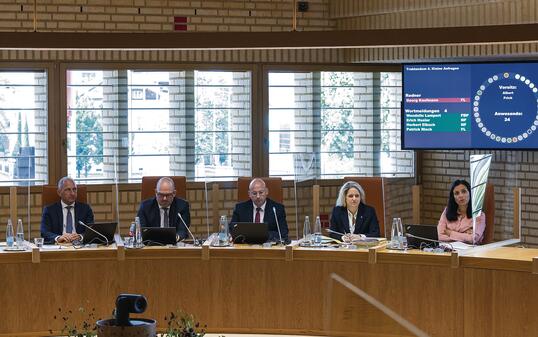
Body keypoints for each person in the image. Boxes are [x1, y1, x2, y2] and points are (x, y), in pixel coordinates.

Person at [230, 178, 289, 242]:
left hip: (269, 247)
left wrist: (261, 234)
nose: (258, 196)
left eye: (261, 192)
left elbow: (283, 233)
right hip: (246, 246)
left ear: (266, 192)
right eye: (254, 193)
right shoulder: (240, 208)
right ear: (249, 194)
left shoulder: (277, 209)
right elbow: (232, 230)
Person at [40, 176, 95, 244]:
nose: (72, 193)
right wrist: (58, 238)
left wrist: (80, 236)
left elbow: (91, 231)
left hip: (79, 246)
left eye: (74, 189)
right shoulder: (49, 210)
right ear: (59, 192)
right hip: (58, 247)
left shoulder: (86, 209)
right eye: (68, 190)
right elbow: (44, 232)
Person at [137, 177, 191, 241]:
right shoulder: (145, 207)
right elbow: (141, 230)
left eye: (168, 195)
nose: (164, 198)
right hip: (151, 245)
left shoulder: (182, 206)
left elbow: (182, 230)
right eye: (161, 195)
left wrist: (173, 239)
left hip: (175, 246)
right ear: (156, 192)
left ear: (174, 193)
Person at [437, 179, 485, 244]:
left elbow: (474, 238)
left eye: (464, 191)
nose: (460, 196)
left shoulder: (479, 215)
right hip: (448, 250)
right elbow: (439, 236)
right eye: (456, 193)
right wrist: (465, 236)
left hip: (469, 252)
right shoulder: (447, 211)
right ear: (453, 197)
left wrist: (450, 233)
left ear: (470, 193)